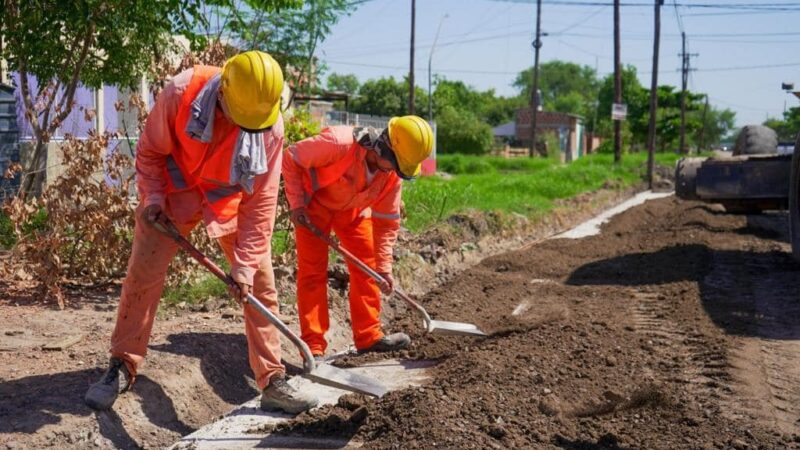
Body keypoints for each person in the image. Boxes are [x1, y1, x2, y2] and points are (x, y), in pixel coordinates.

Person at [84, 51, 318, 414]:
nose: (245, 129)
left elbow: (261, 202)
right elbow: (150, 153)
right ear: (222, 92)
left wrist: (243, 267)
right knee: (143, 274)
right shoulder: (182, 93)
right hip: (174, 191)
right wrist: (153, 198)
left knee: (259, 281)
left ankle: (272, 379)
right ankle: (122, 364)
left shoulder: (269, 127)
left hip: (228, 198)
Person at [282, 115, 434, 359]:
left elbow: (386, 224)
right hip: (314, 207)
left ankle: (368, 336)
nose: (394, 172)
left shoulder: (391, 177)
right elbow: (291, 157)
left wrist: (384, 269)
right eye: (394, 164)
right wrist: (297, 203)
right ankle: (313, 346)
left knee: (368, 268)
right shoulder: (338, 143)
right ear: (383, 146)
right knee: (312, 273)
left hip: (352, 211)